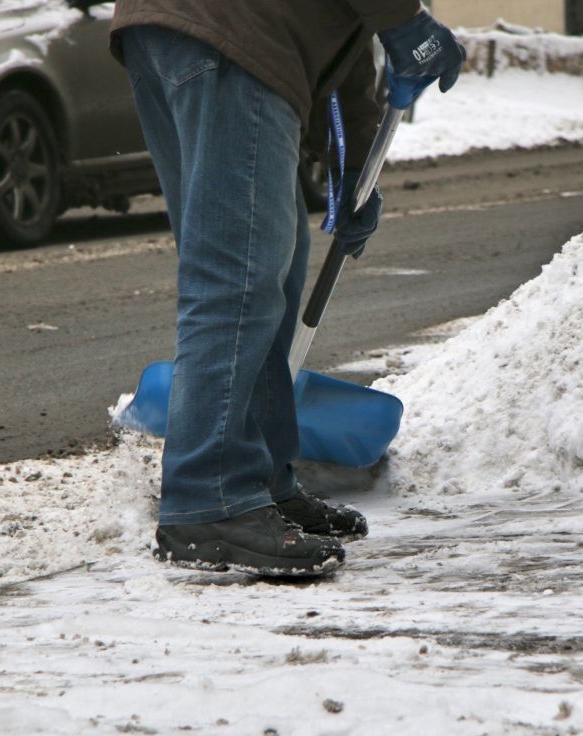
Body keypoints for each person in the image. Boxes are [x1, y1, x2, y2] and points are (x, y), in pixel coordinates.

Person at [109, 1, 465, 575]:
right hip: (236, 34)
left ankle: (259, 482)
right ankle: (209, 500)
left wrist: (354, 168)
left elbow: (342, 49)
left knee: (267, 261)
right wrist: (406, 21)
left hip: (185, 31)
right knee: (236, 273)